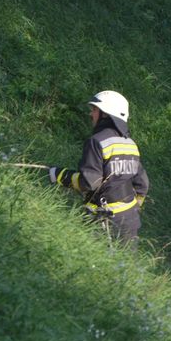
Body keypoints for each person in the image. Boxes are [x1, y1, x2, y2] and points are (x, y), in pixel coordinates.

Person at [49, 90, 150, 246]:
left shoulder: (97, 141)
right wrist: (133, 208)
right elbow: (142, 184)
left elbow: (89, 182)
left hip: (103, 222)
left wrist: (60, 175)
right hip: (130, 221)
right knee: (125, 266)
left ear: (105, 114)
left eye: (94, 110)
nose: (91, 114)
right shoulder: (130, 144)